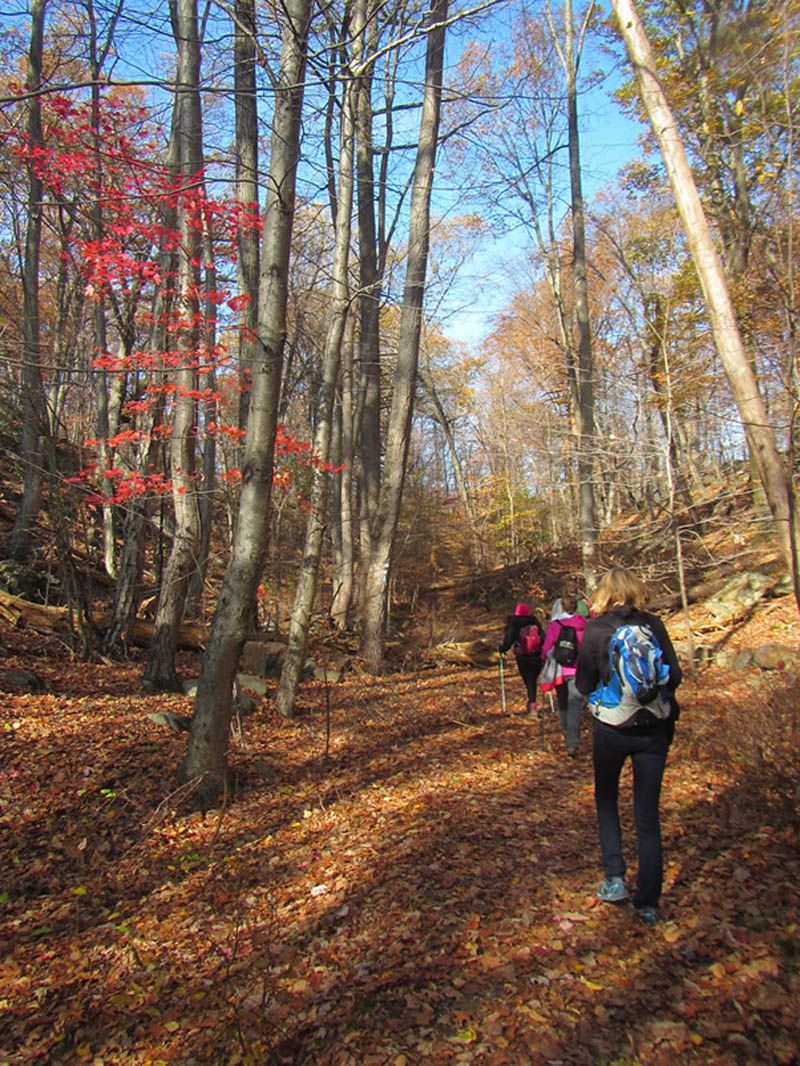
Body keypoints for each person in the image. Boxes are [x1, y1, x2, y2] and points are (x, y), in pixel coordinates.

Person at [575, 566, 683, 926]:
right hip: (653, 729)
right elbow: (676, 675)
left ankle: (615, 879)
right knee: (647, 814)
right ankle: (649, 902)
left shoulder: (596, 629)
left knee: (607, 799)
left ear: (605, 594)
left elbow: (584, 683)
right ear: (636, 591)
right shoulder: (653, 624)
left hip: (611, 730)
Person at [541, 589, 587, 757]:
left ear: (561, 606)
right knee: (575, 704)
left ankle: (567, 734)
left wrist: (546, 660)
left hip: (560, 670)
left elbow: (546, 650)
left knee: (563, 704)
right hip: (578, 670)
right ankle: (572, 743)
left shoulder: (555, 626)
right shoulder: (584, 624)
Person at [499, 603, 545, 714]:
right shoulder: (535, 623)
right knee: (532, 680)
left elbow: (507, 643)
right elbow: (544, 638)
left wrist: (502, 649)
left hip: (523, 658)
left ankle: (533, 705)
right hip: (537, 656)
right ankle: (532, 702)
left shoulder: (514, 624)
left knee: (529, 681)